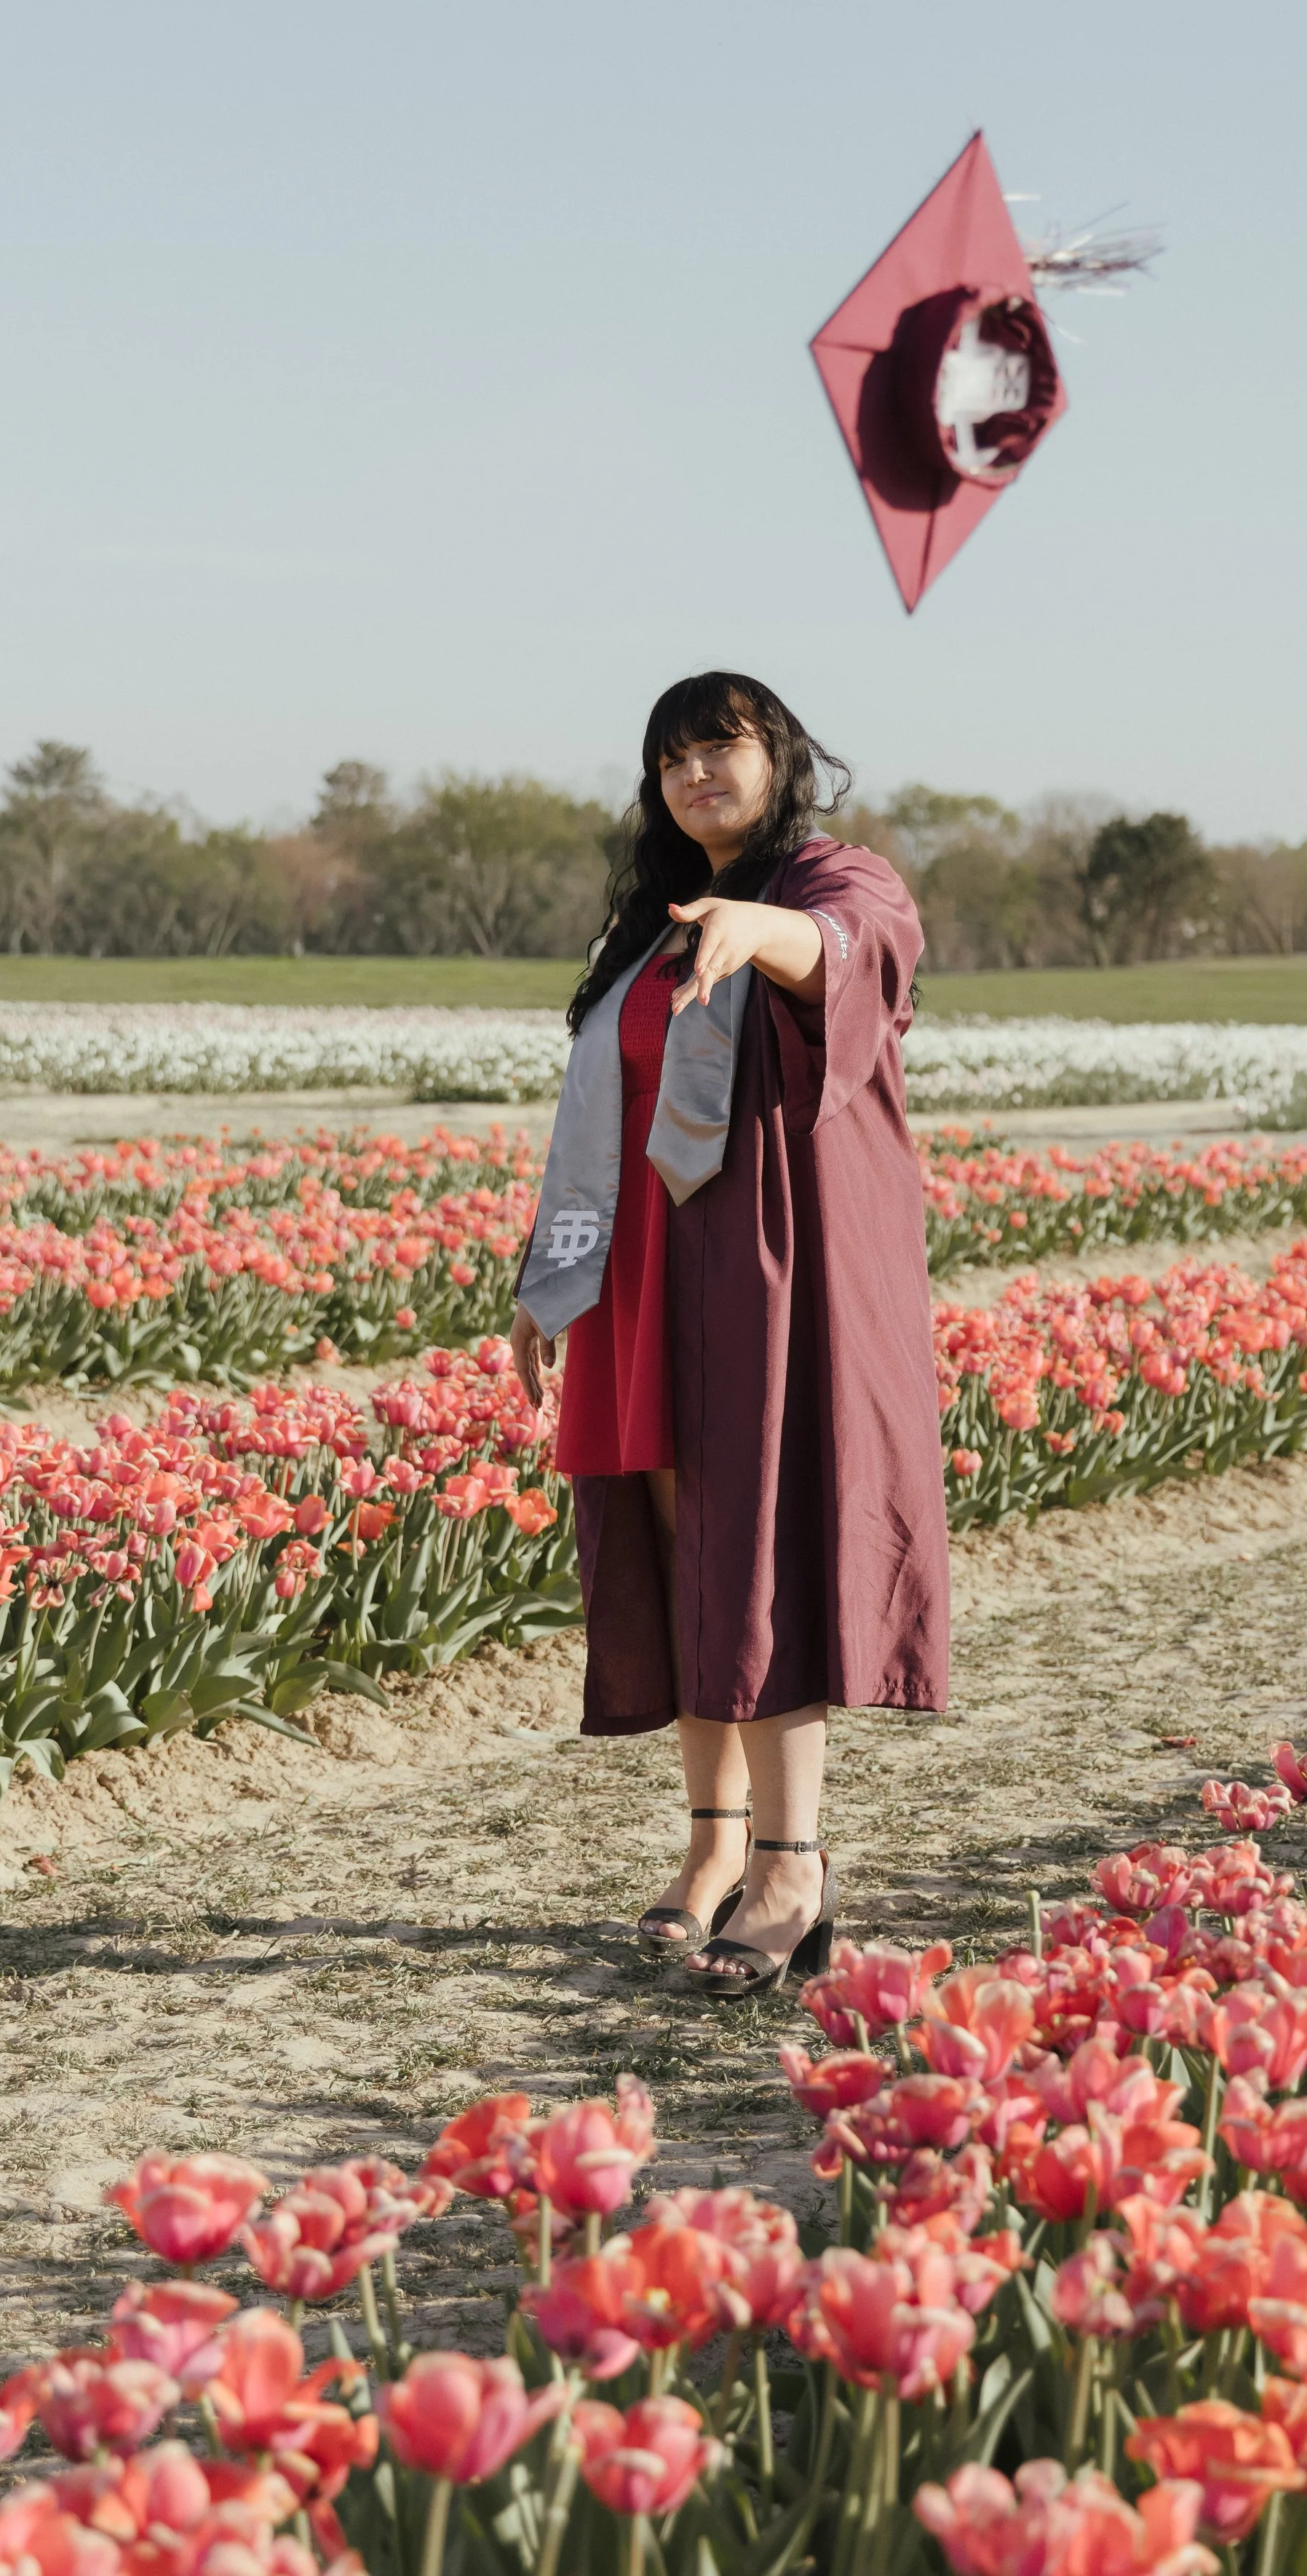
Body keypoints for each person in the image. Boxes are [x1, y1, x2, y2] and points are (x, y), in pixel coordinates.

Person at [510, 671, 948, 1998]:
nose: (696, 771)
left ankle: (793, 1862)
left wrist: (763, 928)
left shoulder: (834, 883)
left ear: (781, 758)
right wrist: (549, 1278)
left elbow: (858, 960)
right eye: (672, 756)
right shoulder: (652, 929)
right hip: (649, 1272)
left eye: (723, 745)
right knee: (671, 1543)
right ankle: (707, 1850)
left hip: (768, 1268)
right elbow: (601, 1113)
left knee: (750, 1549)